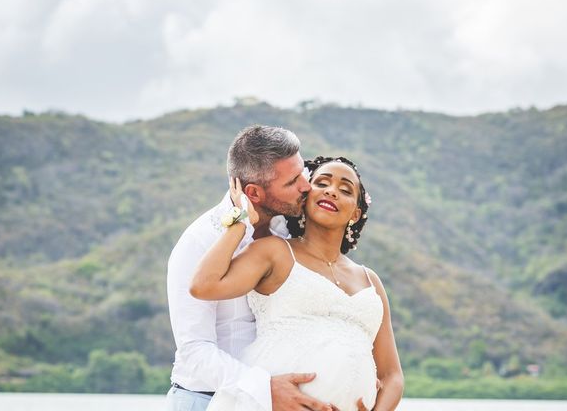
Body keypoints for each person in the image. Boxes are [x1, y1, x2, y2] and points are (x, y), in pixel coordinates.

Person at [190, 156, 404, 411]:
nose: (332, 191)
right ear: (305, 198)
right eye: (322, 183)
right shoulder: (274, 252)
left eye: (345, 190)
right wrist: (239, 223)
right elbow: (203, 285)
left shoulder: (370, 281)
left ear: (355, 214)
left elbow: (392, 376)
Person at [166, 125, 334, 411]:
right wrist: (264, 388)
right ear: (254, 193)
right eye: (293, 181)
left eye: (302, 173)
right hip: (204, 401)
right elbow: (194, 351)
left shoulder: (289, 234)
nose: (306, 186)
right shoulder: (199, 242)